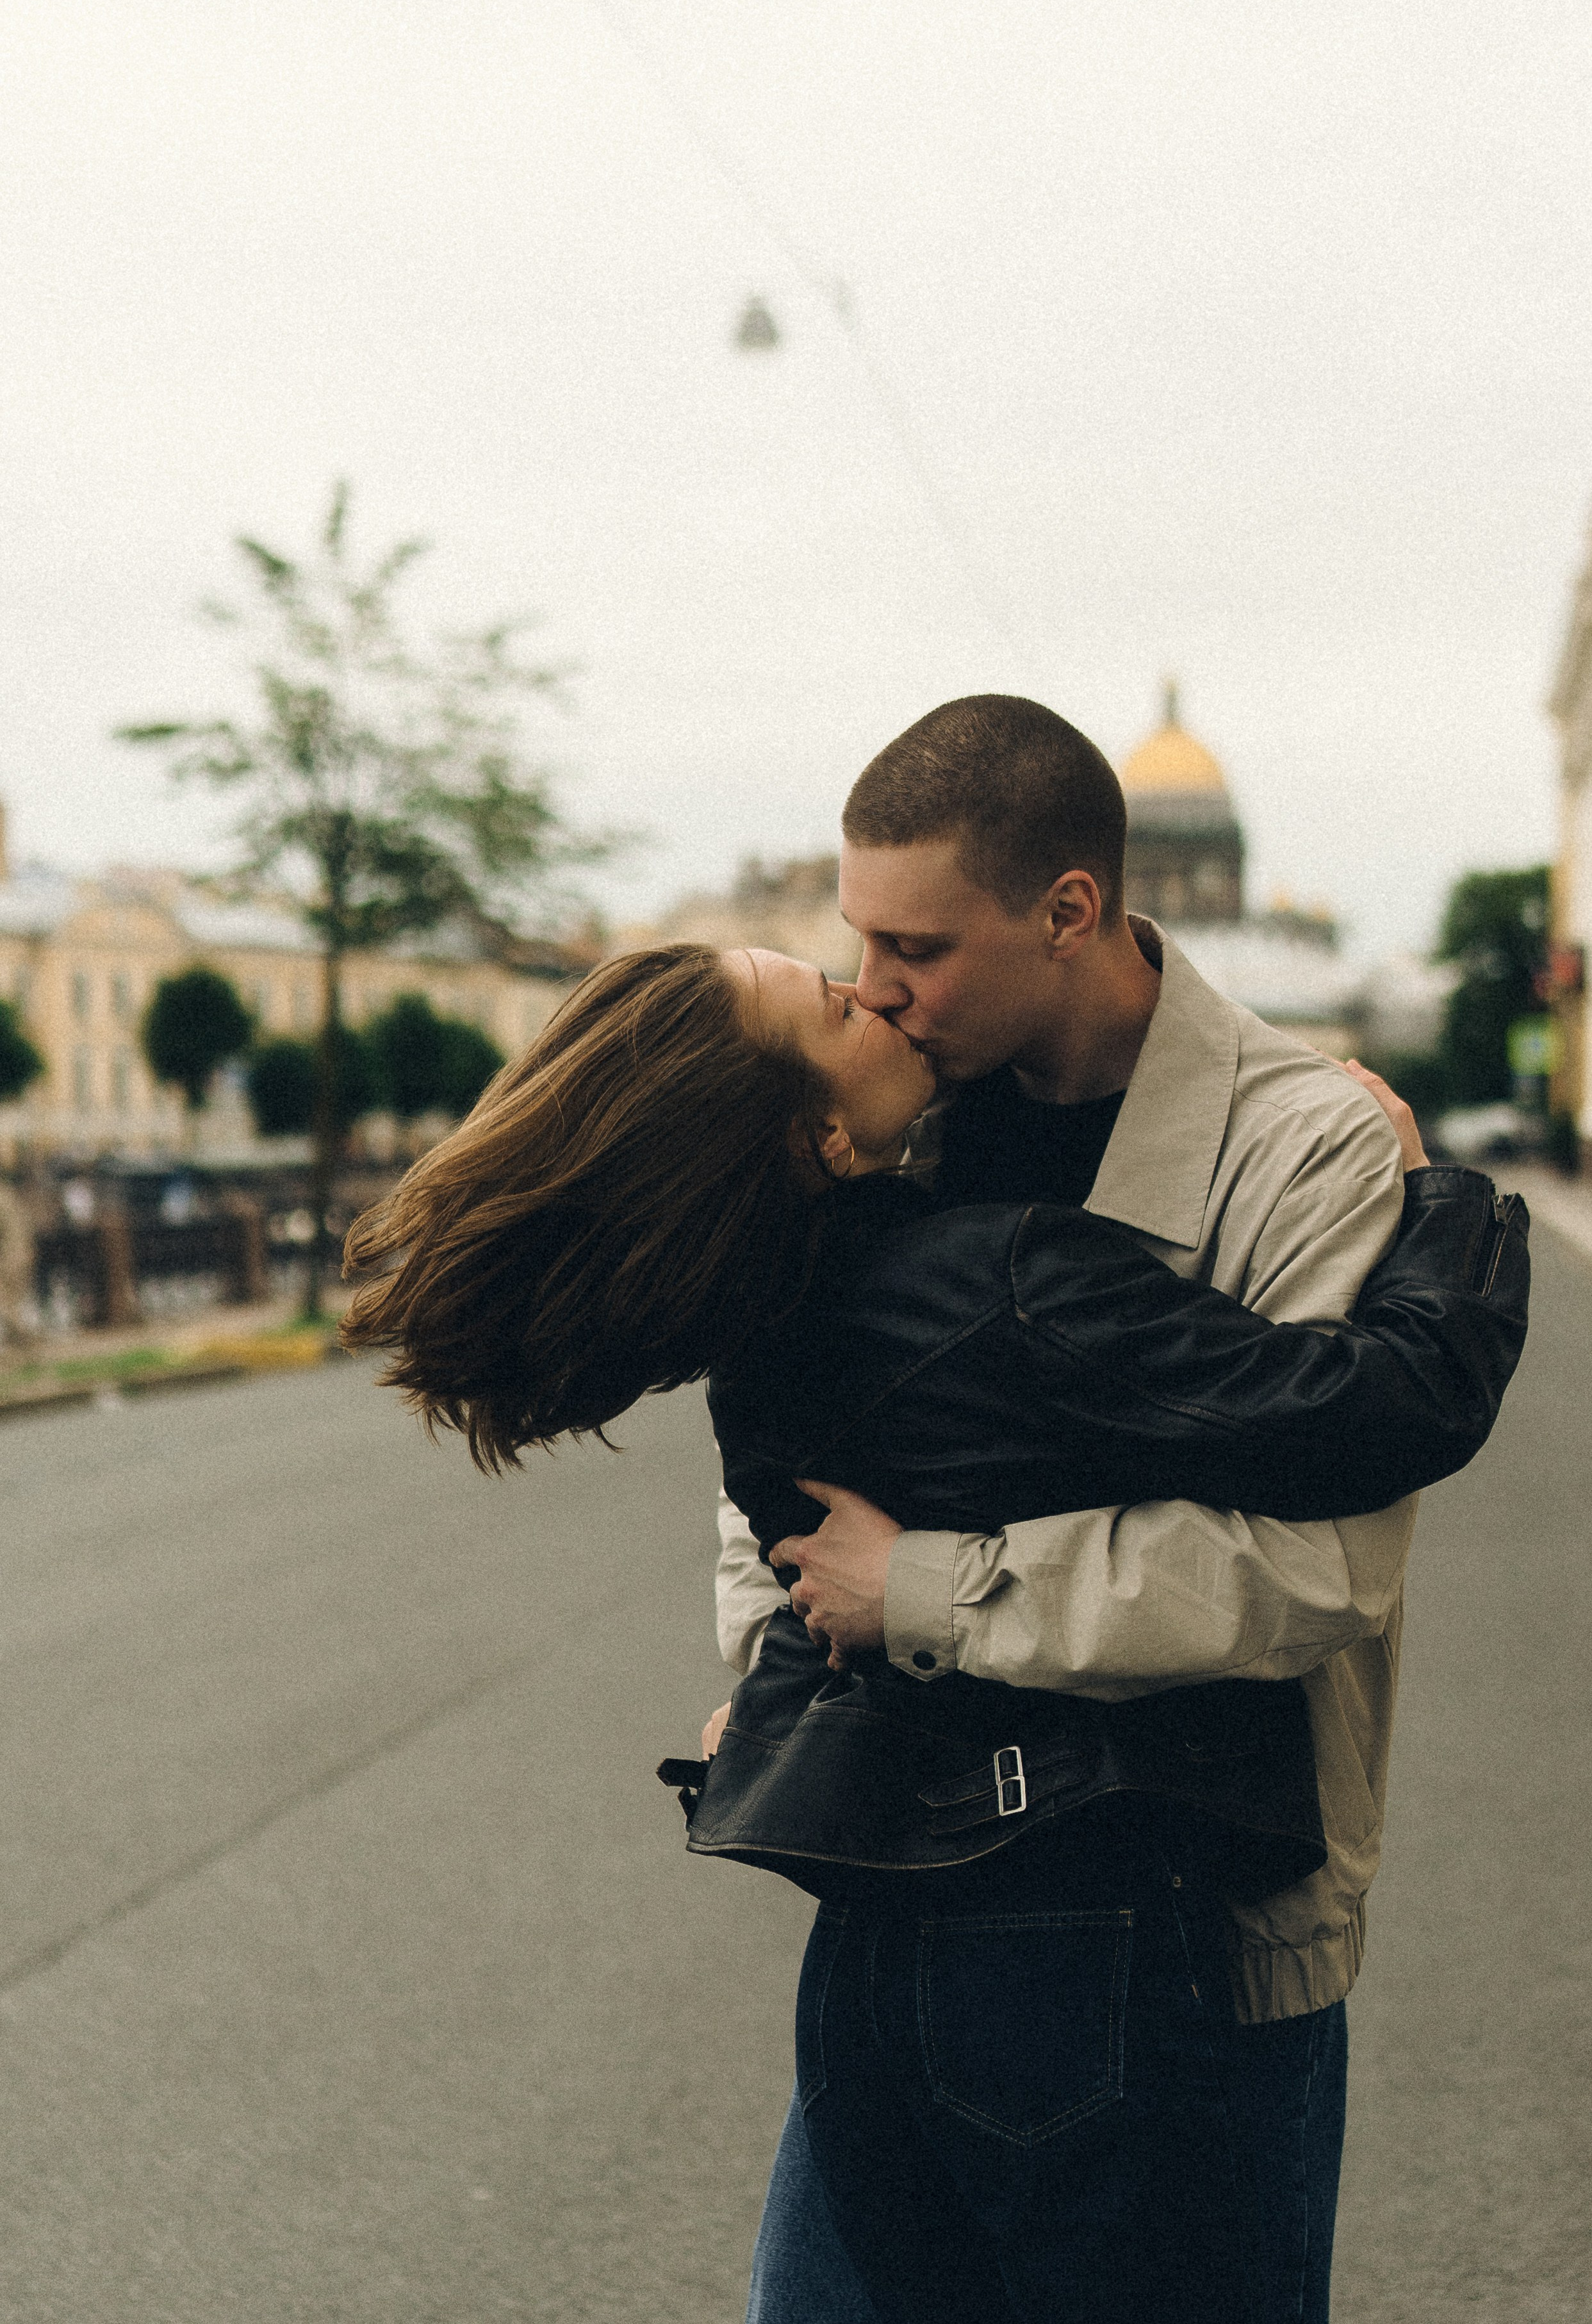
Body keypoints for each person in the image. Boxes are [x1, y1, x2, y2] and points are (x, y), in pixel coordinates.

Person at [338, 894, 1527, 2320]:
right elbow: (1372, 1412)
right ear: (819, 1140)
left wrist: (826, 1642)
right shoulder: (1003, 1278)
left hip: (870, 1942)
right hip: (1102, 1939)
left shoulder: (757, 1333)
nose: (876, 994)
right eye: (836, 1001)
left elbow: (794, 1583)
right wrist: (1441, 1194)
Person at [709, 695, 1524, 2323]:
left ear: (1068, 908)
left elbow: (1320, 1568)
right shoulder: (890, 1116)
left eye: (919, 946)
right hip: (897, 1905)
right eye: (858, 941)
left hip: (1210, 1947)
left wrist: (924, 1590)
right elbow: (779, 1484)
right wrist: (775, 1664)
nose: (875, 986)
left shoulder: (1295, 1144)